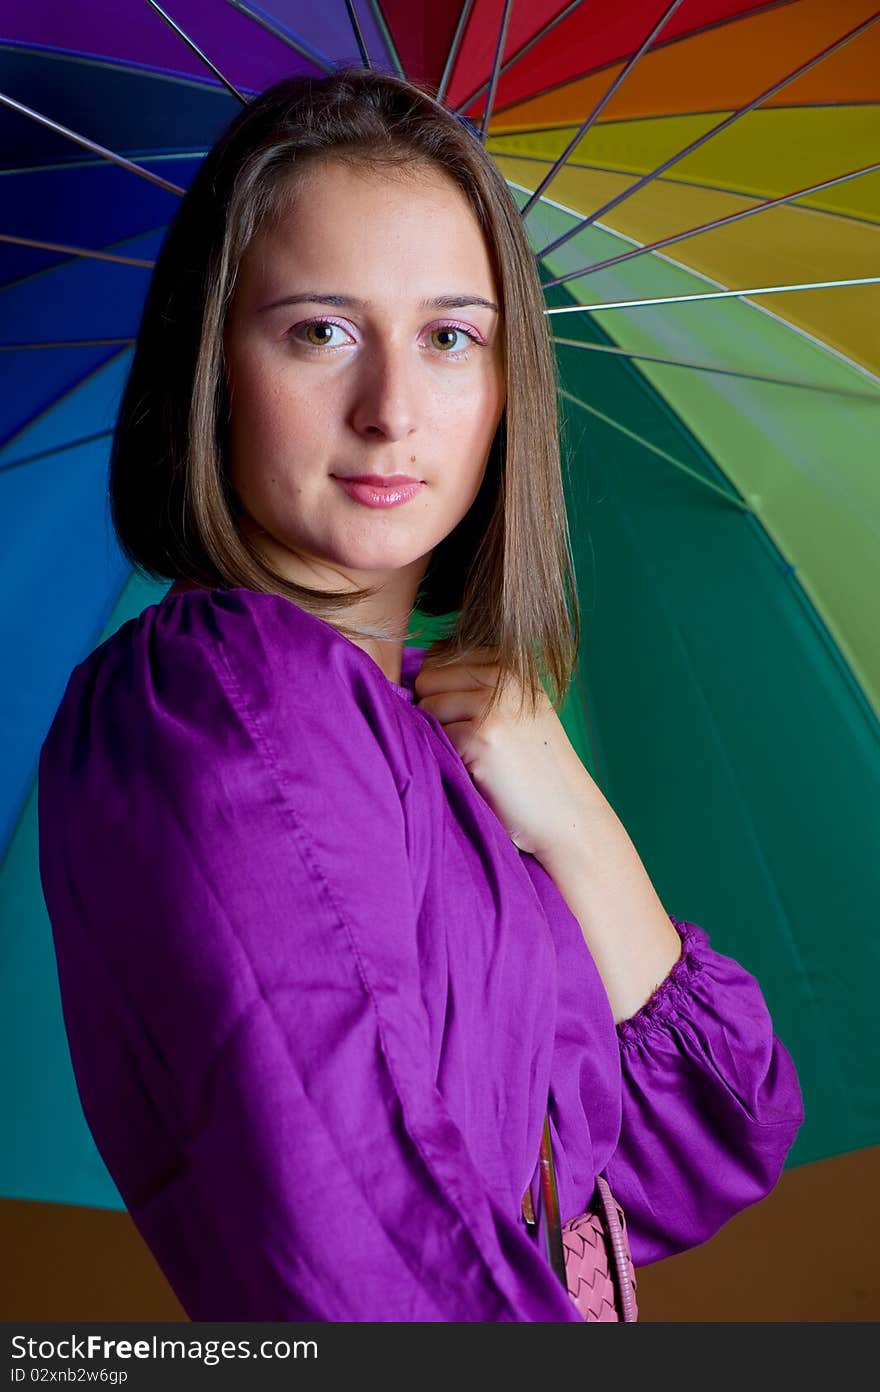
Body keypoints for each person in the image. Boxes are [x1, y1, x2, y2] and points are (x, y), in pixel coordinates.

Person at [37, 66, 803, 1323]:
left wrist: (571, 818)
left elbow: (698, 1148)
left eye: (452, 337)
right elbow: (362, 1238)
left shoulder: (430, 729)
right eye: (319, 331)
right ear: (211, 361)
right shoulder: (225, 694)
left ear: (509, 388)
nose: (393, 412)